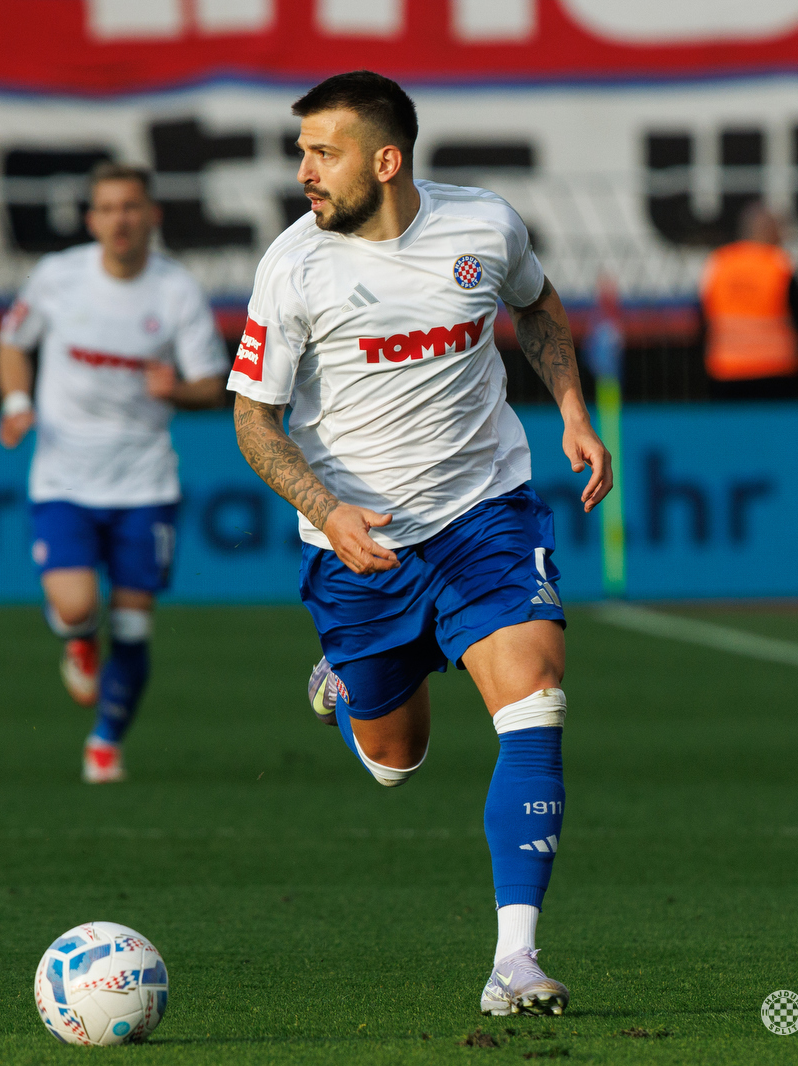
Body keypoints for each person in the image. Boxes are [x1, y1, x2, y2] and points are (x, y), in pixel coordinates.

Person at [228, 71, 612, 1018]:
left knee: (537, 700)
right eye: (303, 151)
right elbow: (254, 422)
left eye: (324, 151)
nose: (304, 170)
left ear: (386, 160)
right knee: (397, 761)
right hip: (361, 547)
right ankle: (346, 680)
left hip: (487, 511)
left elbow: (540, 306)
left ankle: (514, 960)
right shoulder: (294, 266)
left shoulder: (485, 226)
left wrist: (572, 409)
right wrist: (329, 508)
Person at [0, 163, 228, 784]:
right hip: (65, 478)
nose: (119, 218)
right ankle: (77, 638)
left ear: (151, 215)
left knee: (132, 622)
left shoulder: (176, 290)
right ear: (92, 219)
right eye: (107, 207)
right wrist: (17, 405)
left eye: (131, 206)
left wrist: (177, 388)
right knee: (75, 606)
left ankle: (106, 741)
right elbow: (12, 341)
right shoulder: (57, 277)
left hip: (144, 482)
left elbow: (214, 384)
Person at [698, 202, 798, 400]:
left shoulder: (719, 262)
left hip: (726, 370)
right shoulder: (780, 263)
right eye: (779, 229)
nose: (783, 236)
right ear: (766, 230)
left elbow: (703, 316)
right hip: (775, 370)